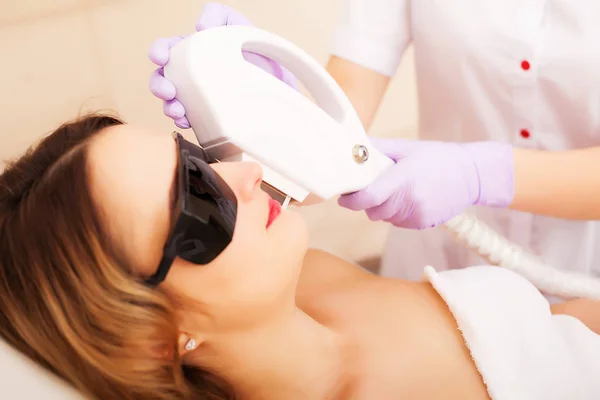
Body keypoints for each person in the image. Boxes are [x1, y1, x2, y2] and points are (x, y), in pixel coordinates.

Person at [2, 113, 600, 399]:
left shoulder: (312, 284)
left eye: (198, 157)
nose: (244, 172)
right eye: (199, 198)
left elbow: (560, 335)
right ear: (150, 335)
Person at [148, 3, 600, 301]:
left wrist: (481, 174)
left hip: (582, 268)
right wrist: (268, 110)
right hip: (435, 265)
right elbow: (320, 171)